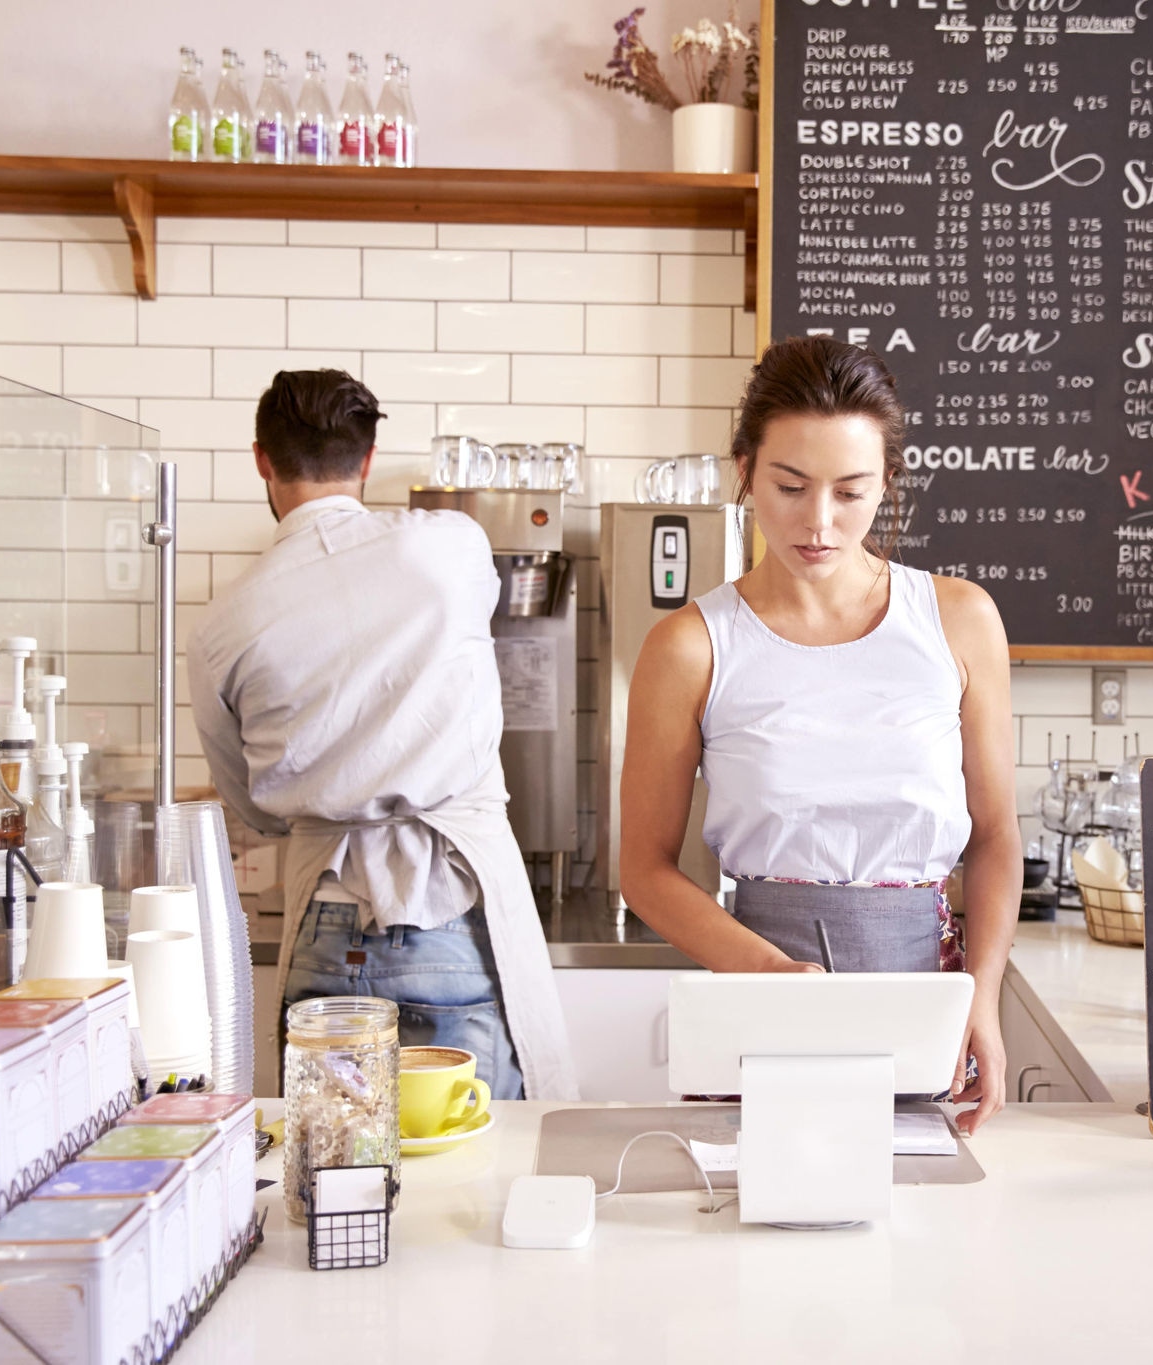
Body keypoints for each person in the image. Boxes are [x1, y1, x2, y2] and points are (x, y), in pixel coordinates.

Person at [620, 337, 1020, 1133]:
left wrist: (981, 993)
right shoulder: (692, 645)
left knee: (925, 1236)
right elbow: (644, 868)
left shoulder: (959, 618)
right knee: (757, 1226)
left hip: (926, 1001)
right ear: (745, 469)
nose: (819, 521)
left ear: (888, 484)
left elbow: (997, 833)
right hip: (760, 999)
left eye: (851, 491)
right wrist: (770, 973)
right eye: (791, 486)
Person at [188, 369, 575, 1100]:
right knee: (471, 1179)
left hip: (321, 927)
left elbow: (255, 808)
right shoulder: (451, 548)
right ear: (367, 461)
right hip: (447, 914)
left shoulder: (220, 624)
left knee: (336, 1186)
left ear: (262, 460)